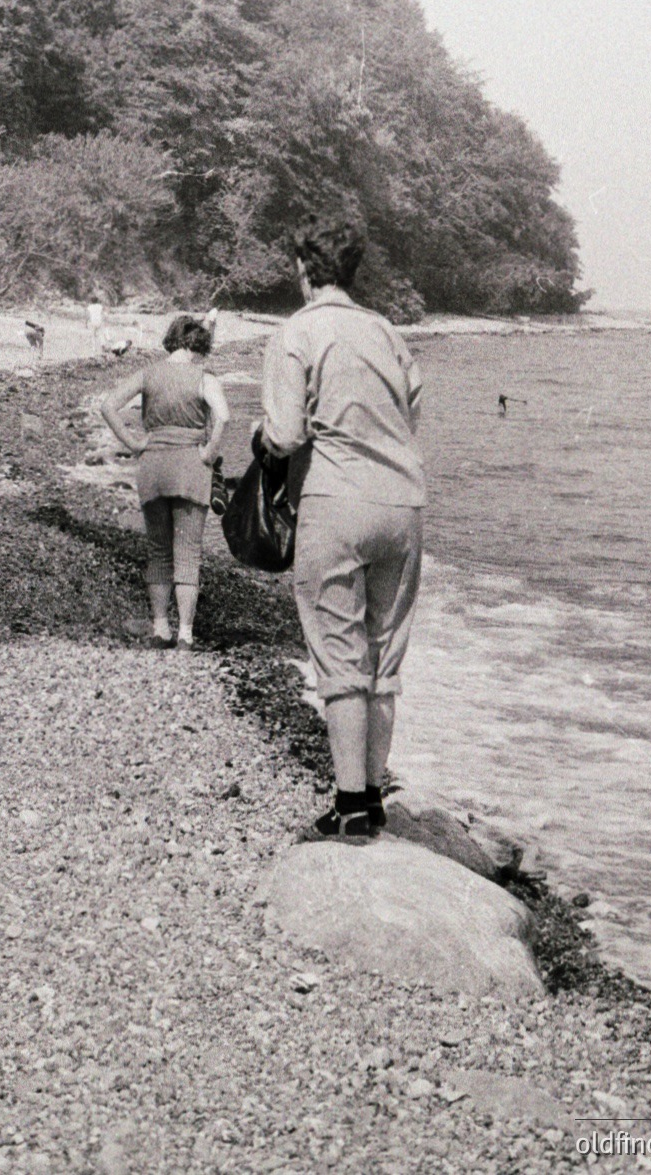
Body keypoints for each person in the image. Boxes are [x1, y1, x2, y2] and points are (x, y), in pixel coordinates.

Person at [261, 217, 425, 841]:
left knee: (340, 655)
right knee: (384, 656)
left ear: (303, 269)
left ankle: (351, 805)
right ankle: (376, 798)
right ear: (353, 270)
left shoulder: (297, 331)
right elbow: (411, 409)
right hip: (404, 501)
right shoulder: (386, 330)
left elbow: (283, 434)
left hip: (336, 498)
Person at [101, 315, 230, 649]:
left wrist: (134, 443)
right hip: (190, 466)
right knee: (188, 553)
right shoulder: (204, 376)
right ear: (196, 345)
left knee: (159, 551)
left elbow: (108, 405)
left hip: (153, 466)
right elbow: (225, 417)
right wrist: (209, 454)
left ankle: (160, 628)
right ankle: (185, 634)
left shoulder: (149, 373)